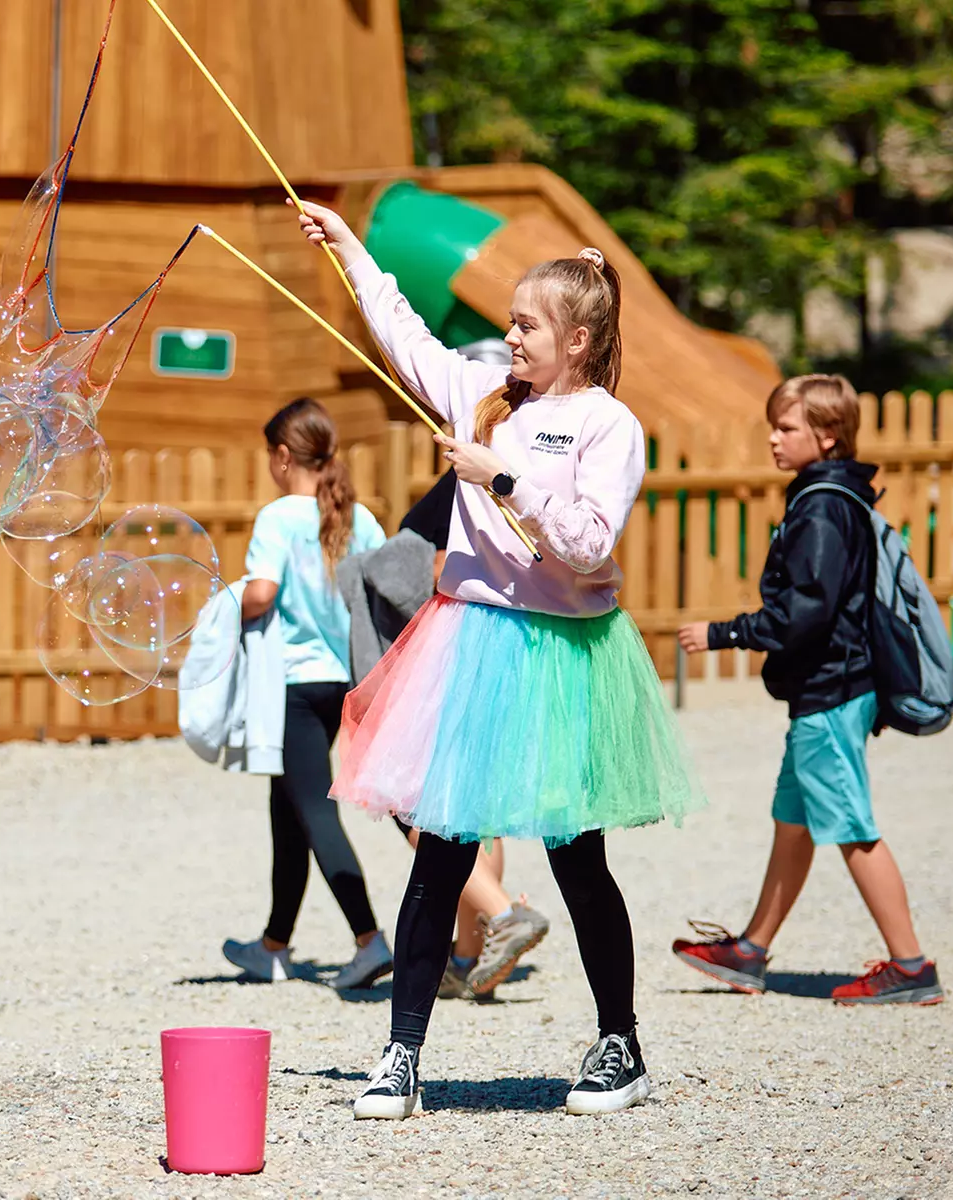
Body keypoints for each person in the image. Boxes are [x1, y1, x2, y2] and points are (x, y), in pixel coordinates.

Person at [297, 201, 703, 1120]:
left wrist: (501, 479)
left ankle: (618, 1045)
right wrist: (351, 250)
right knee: (439, 850)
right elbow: (400, 333)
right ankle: (400, 1056)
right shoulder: (483, 397)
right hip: (472, 639)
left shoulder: (608, 426)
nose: (508, 338)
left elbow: (591, 546)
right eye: (509, 323)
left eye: (525, 325)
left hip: (565, 653)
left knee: (575, 855)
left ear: (581, 339)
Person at [672, 375, 944, 1006]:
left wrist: (724, 632)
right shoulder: (832, 496)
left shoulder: (822, 506)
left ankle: (910, 968)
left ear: (827, 435)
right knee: (793, 822)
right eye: (774, 425)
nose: (773, 438)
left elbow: (807, 612)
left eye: (786, 428)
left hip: (832, 692)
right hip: (828, 691)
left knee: (853, 828)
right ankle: (751, 950)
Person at [342, 470, 551, 1002]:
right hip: (501, 657)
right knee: (477, 813)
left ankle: (504, 913)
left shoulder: (468, 481)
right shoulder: (527, 475)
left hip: (443, 668)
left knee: (415, 807)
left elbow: (436, 571)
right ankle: (466, 959)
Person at [221, 397, 397, 992]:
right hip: (347, 680)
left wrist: (224, 604)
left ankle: (369, 940)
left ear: (280, 456)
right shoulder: (362, 518)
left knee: (316, 810)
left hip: (294, 683)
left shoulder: (277, 518)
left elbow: (262, 594)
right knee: (289, 808)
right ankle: (272, 946)